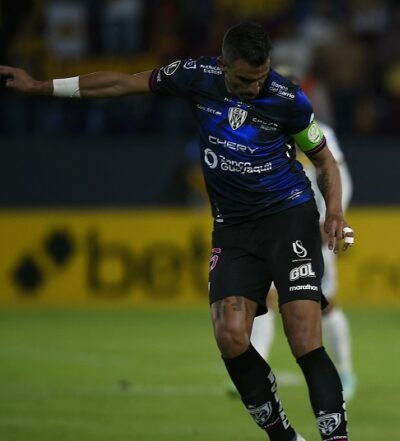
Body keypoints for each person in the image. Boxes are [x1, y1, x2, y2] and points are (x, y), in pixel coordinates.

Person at [1, 22, 353, 441]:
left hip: (288, 217)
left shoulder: (286, 98)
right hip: (233, 227)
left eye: (259, 78)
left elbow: (324, 159)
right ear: (223, 65)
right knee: (230, 337)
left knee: (302, 334)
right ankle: (284, 435)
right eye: (243, 80)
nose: (253, 88)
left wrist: (333, 212)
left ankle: (336, 437)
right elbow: (119, 84)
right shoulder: (195, 76)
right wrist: (41, 87)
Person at [249, 113, 357, 400]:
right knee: (267, 295)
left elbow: (336, 174)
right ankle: (254, 370)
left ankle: (345, 372)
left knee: (325, 305)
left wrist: (332, 219)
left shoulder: (320, 132)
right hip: (281, 228)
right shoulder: (262, 128)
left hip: (317, 229)